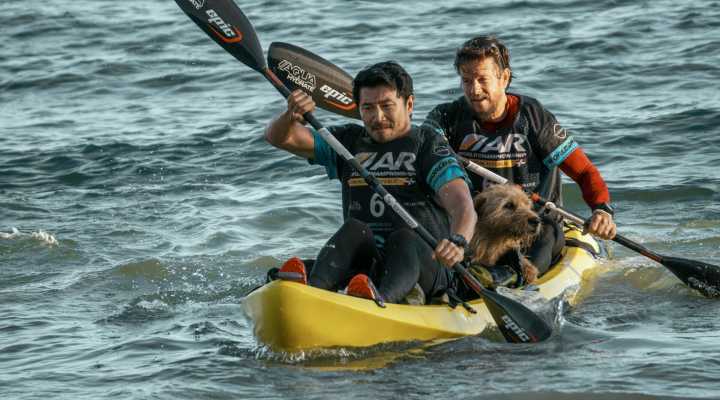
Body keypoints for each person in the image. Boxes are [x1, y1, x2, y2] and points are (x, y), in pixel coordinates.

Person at [265, 61, 477, 305]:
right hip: (370, 266)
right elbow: (279, 138)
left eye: (387, 106)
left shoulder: (428, 145)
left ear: (409, 104)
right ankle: (313, 294)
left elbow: (462, 205)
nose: (378, 117)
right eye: (368, 108)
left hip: (426, 267)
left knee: (404, 237)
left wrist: (458, 242)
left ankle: (382, 302)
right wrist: (290, 116)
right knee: (354, 229)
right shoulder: (347, 142)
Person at [423, 36, 616, 281]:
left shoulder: (533, 118)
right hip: (477, 226)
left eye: (482, 79)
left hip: (534, 226)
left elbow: (584, 171)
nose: (474, 90)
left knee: (547, 230)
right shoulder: (447, 117)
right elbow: (420, 147)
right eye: (467, 80)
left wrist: (602, 210)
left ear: (504, 78)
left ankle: (512, 276)